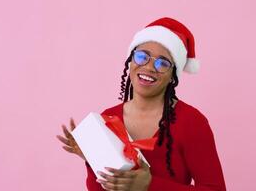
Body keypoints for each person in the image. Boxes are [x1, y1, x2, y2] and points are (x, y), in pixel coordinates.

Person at [57, 17, 226, 191]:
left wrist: (149, 185)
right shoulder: (109, 118)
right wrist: (93, 159)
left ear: (172, 76)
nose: (149, 67)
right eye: (142, 56)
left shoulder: (192, 122)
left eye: (162, 63)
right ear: (130, 61)